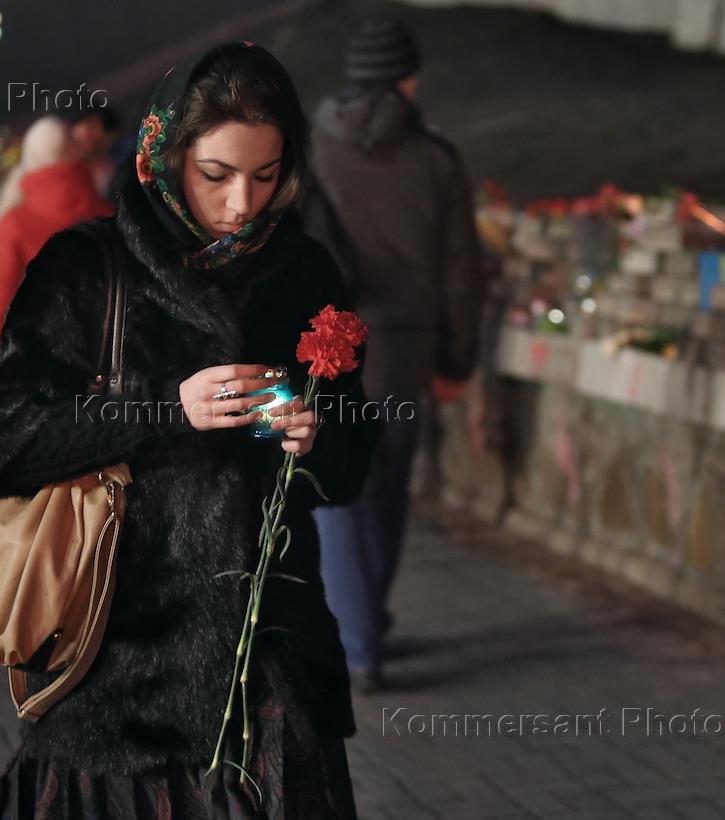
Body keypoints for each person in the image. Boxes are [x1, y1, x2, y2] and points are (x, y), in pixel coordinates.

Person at [0, 42, 377, 820]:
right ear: (166, 155)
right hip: (120, 679)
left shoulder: (305, 271)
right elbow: (3, 443)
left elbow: (354, 464)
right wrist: (163, 408)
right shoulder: (88, 268)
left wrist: (317, 433)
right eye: (216, 174)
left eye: (266, 175)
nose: (242, 203)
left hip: (272, 673)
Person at [305, 17, 487, 691]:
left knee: (337, 497)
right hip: (405, 358)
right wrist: (457, 362)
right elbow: (462, 276)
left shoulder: (309, 148)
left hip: (328, 350)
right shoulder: (436, 160)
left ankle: (357, 640)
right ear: (407, 79)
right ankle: (366, 629)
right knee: (385, 494)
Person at [0, 116, 112, 356]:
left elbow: (0, 294)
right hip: (97, 349)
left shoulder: (15, 223)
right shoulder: (107, 214)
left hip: (35, 350)